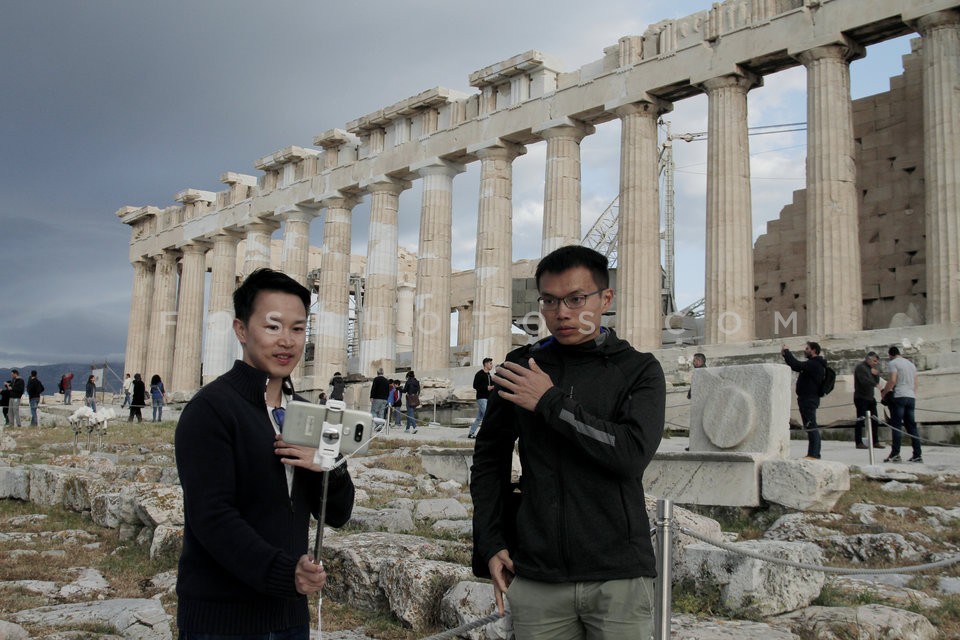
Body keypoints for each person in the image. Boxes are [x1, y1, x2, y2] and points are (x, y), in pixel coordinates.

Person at [470, 245, 665, 640]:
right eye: (549, 300)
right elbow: (489, 459)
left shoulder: (639, 369)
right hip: (539, 576)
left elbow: (630, 456)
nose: (561, 313)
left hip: (618, 576)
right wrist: (490, 542)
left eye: (576, 299)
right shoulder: (520, 365)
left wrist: (549, 402)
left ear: (605, 298)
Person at [175, 267, 355, 637]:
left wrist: (329, 466)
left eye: (298, 328)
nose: (287, 341)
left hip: (289, 616)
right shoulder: (210, 409)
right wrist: (282, 572)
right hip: (223, 620)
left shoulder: (310, 414)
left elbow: (339, 512)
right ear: (241, 330)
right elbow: (212, 517)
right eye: (272, 326)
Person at [781, 342, 827, 460]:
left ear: (814, 350)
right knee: (810, 426)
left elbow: (796, 365)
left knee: (811, 426)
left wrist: (786, 352)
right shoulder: (815, 364)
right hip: (808, 399)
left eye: (807, 349)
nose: (805, 350)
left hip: (808, 399)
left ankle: (814, 454)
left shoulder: (814, 364)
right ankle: (814, 453)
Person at [882, 346, 921, 463]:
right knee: (912, 427)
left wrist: (884, 392)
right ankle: (917, 454)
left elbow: (893, 380)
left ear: (890, 355)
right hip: (911, 396)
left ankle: (895, 454)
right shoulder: (911, 364)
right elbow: (916, 382)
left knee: (896, 426)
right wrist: (912, 393)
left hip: (899, 395)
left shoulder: (893, 363)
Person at [853, 352, 884, 449]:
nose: (875, 363)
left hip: (870, 397)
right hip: (861, 397)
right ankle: (859, 442)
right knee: (860, 420)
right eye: (874, 361)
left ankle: (875, 441)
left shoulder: (871, 369)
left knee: (875, 420)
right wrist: (874, 384)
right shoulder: (861, 367)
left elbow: (876, 381)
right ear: (869, 359)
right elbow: (864, 381)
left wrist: (876, 375)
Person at [468, 358, 494, 439]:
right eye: (490, 363)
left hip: (488, 398)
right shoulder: (479, 374)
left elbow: (492, 386)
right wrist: (486, 387)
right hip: (481, 398)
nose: (491, 365)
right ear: (485, 364)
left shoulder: (489, 375)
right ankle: (486, 434)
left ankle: (471, 433)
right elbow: (475, 385)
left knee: (479, 418)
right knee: (488, 416)